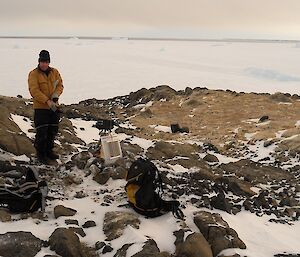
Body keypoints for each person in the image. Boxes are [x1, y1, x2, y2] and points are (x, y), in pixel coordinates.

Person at [28, 50, 64, 164]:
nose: (44, 64)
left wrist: (55, 96)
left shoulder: (55, 72)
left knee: (52, 131)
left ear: (49, 62)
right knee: (42, 132)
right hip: (40, 108)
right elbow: (34, 90)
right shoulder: (33, 74)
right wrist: (46, 101)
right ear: (39, 62)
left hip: (53, 107)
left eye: (46, 62)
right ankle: (41, 154)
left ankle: (49, 151)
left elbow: (60, 85)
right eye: (42, 61)